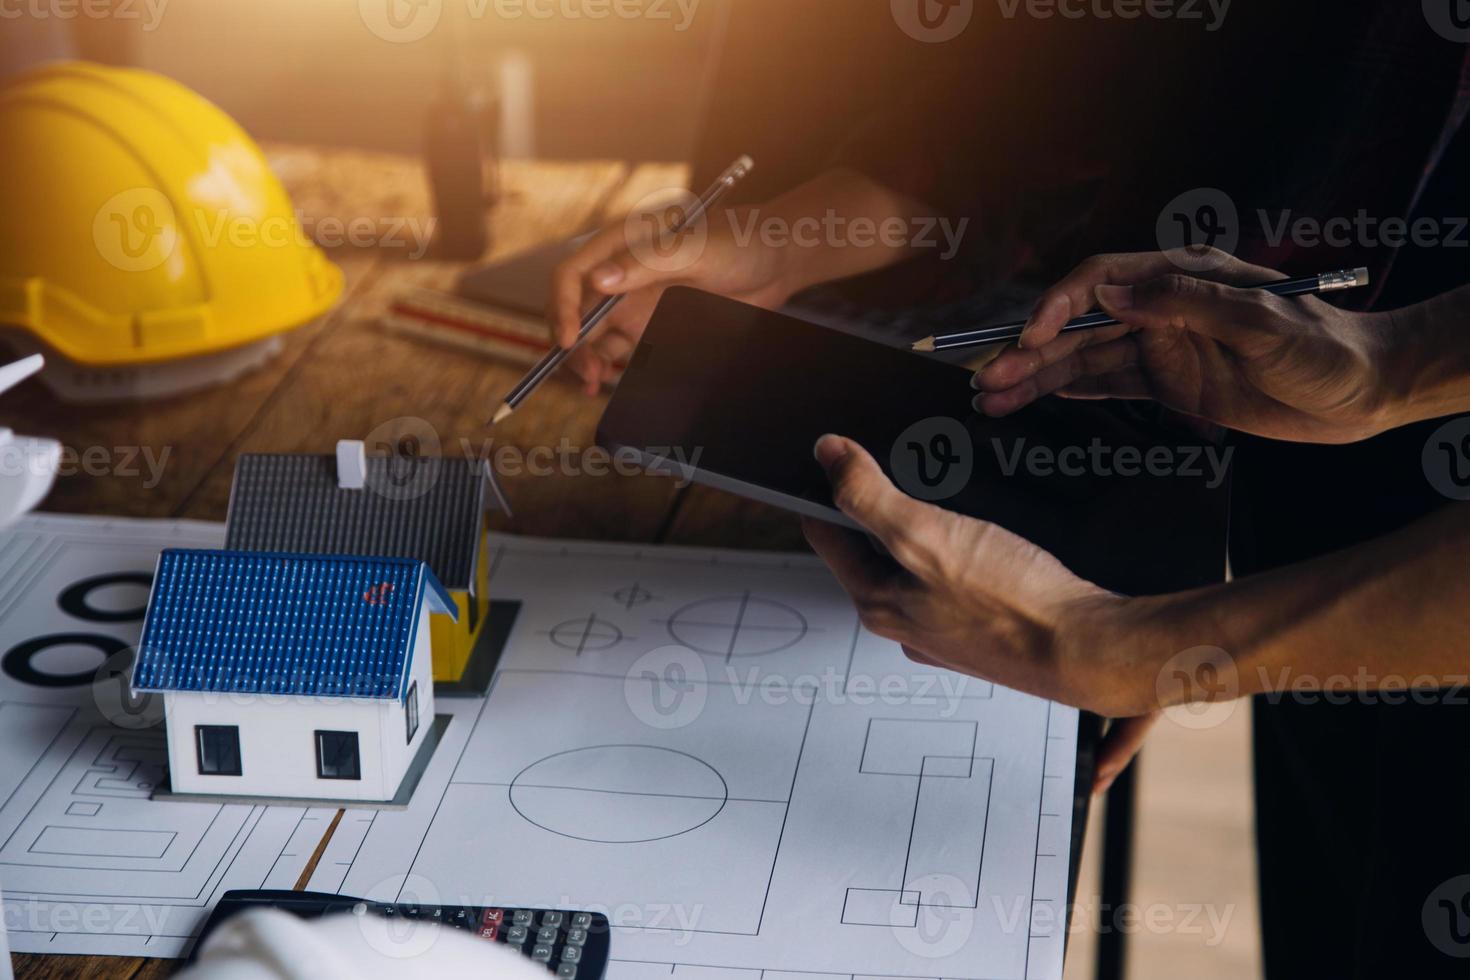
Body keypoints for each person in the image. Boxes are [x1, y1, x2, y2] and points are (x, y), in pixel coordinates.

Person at [545, 6, 1469, 975]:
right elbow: (1057, 91)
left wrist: (1116, 643)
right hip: (1317, 437)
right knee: (1340, 897)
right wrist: (1384, 366)